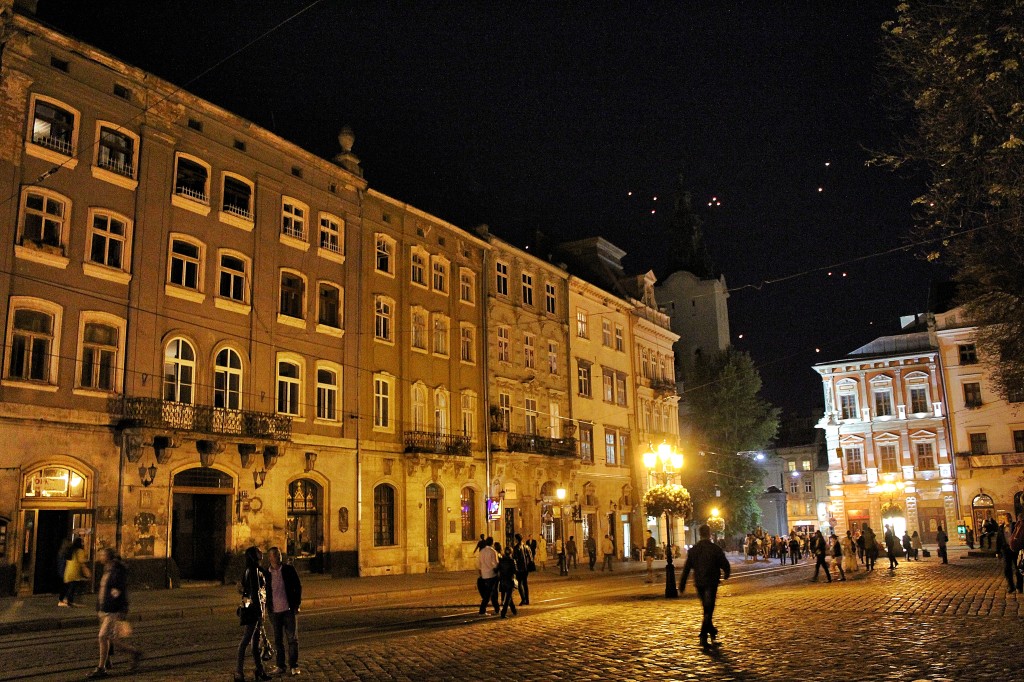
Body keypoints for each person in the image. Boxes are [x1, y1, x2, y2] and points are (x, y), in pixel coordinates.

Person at [85, 549, 142, 679]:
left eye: (102, 555)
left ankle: (101, 668)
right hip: (104, 609)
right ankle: (134, 653)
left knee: (102, 637)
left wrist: (121, 609)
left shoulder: (117, 571)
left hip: (112, 610)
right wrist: (99, 607)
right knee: (112, 639)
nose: (100, 557)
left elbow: (119, 591)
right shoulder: (108, 569)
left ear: (109, 557)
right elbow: (104, 590)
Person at [680, 524, 731, 648]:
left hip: (699, 583)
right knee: (709, 609)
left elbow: (687, 568)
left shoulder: (694, 549)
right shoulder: (715, 548)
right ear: (709, 534)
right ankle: (705, 635)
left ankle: (711, 632)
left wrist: (682, 584)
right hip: (711, 582)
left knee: (706, 608)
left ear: (700, 534)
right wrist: (726, 574)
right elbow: (725, 563)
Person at [235, 546, 271, 682]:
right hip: (254, 610)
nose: (261, 552)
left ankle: (260, 670)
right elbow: (254, 593)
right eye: (258, 551)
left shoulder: (253, 570)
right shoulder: (253, 571)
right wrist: (260, 614)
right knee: (246, 641)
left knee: (255, 643)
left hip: (255, 608)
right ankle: (238, 672)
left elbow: (247, 591)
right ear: (253, 556)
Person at [265, 547, 302, 676]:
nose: (278, 557)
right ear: (269, 558)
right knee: (278, 641)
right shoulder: (266, 574)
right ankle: (280, 665)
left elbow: (298, 587)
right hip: (274, 612)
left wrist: (297, 604)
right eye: (275, 555)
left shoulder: (288, 570)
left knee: (292, 639)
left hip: (289, 610)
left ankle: (294, 665)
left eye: (279, 554)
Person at [59, 535, 89, 607]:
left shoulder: (71, 550)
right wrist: (87, 572)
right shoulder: (80, 551)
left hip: (68, 571)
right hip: (75, 572)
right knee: (72, 587)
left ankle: (61, 600)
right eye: (82, 542)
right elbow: (82, 562)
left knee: (67, 586)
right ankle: (70, 601)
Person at [995, 517, 1023, 593]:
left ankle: (1019, 586)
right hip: (1006, 549)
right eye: (1006, 518)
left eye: (1008, 517)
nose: (1007, 519)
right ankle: (1011, 586)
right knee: (1007, 569)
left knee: (1018, 568)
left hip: (1015, 549)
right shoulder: (1001, 528)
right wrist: (997, 551)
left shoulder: (1015, 525)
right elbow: (999, 540)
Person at [477, 536, 500, 615]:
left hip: (484, 575)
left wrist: (481, 573)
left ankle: (496, 608)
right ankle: (483, 610)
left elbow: (479, 564)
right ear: (492, 543)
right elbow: (496, 564)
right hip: (491, 574)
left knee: (489, 592)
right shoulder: (493, 551)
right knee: (491, 593)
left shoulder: (481, 551)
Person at [497, 546, 518, 618]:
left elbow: (497, 569)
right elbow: (515, 571)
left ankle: (514, 610)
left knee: (509, 596)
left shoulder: (502, 560)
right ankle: (503, 612)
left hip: (503, 581)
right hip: (509, 580)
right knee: (508, 598)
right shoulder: (512, 561)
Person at [512, 534, 531, 605]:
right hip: (526, 568)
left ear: (517, 539)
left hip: (520, 568)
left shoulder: (516, 548)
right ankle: (527, 599)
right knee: (525, 583)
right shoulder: (526, 546)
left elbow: (515, 559)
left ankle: (523, 599)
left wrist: (514, 568)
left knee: (520, 583)